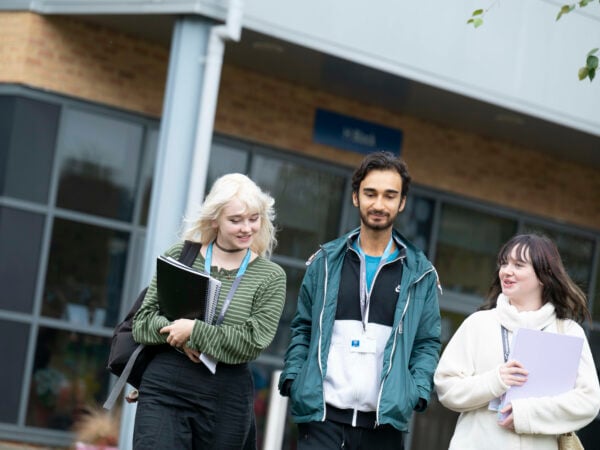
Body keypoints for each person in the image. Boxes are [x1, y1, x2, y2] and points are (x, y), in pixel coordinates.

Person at [278, 151, 442, 450]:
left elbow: (427, 342)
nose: (379, 204)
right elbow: (302, 327)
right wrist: (294, 378)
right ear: (356, 197)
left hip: (384, 426)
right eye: (370, 193)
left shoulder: (421, 273)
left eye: (390, 196)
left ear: (402, 202)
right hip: (321, 420)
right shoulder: (325, 262)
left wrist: (416, 392)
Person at [131, 173, 287, 449]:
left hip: (225, 397)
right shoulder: (181, 255)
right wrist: (180, 335)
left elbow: (253, 342)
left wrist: (193, 332)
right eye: (235, 220)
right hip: (167, 385)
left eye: (254, 218)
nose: (246, 228)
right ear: (214, 219)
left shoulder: (270, 276)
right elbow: (142, 323)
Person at [434, 233, 600, 449]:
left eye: (519, 265)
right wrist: (496, 381)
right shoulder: (478, 323)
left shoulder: (568, 332)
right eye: (504, 263)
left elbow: (588, 402)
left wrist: (526, 414)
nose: (506, 271)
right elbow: (446, 387)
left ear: (543, 275)